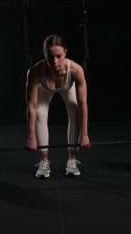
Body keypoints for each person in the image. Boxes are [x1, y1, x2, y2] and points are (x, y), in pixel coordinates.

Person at [26, 34, 90, 178]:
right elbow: (31, 107)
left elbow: (83, 104)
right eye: (50, 56)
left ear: (65, 53)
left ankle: (72, 160)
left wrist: (84, 135)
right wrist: (31, 137)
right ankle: (43, 161)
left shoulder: (76, 70)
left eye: (59, 56)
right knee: (40, 114)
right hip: (44, 88)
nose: (55, 61)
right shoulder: (35, 71)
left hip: (67, 87)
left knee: (74, 111)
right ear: (45, 54)